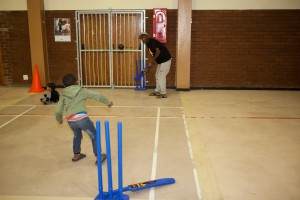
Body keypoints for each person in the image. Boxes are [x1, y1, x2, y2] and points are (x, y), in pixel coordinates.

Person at [55, 74, 113, 164]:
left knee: (77, 135)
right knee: (94, 136)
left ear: (64, 84)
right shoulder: (82, 90)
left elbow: (58, 111)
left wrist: (60, 120)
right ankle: (99, 156)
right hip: (82, 119)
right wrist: (108, 102)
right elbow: (98, 96)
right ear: (75, 82)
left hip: (71, 120)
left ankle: (76, 155)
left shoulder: (63, 95)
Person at [138, 32, 172, 98]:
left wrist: (153, 61)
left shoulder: (151, 42)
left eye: (144, 37)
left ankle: (163, 93)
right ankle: (157, 91)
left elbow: (158, 51)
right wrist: (153, 62)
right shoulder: (148, 44)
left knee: (161, 76)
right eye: (142, 38)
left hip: (165, 60)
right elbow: (154, 54)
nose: (143, 39)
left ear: (147, 37)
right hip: (161, 61)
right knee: (157, 75)